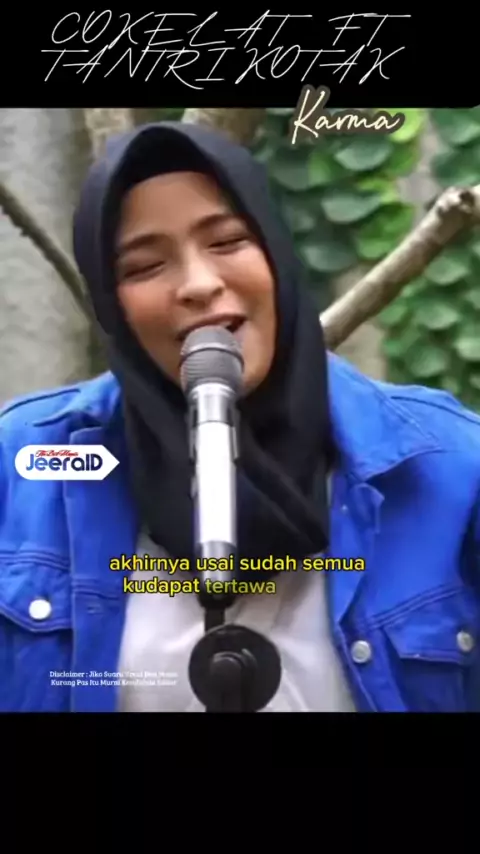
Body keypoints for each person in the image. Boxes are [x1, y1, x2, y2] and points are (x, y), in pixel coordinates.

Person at [0, 119, 479, 714]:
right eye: (145, 267)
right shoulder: (24, 464)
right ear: (110, 306)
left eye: (227, 242)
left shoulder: (450, 466)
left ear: (276, 255)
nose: (199, 285)